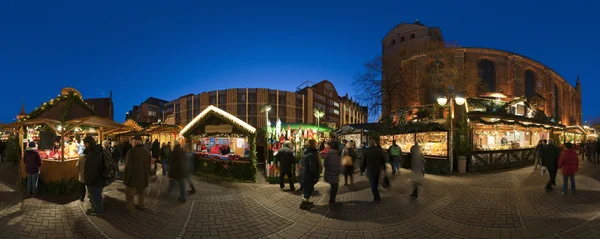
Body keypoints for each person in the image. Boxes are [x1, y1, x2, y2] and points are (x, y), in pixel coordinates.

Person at [124, 135, 151, 213]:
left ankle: (131, 209)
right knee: (141, 193)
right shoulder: (146, 151)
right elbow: (149, 165)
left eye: (132, 141)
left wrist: (126, 180)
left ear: (135, 142)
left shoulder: (131, 152)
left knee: (129, 195)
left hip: (133, 178)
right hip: (143, 177)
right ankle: (141, 205)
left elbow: (128, 167)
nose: (131, 143)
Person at [83, 136, 106, 216]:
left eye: (84, 144)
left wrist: (88, 181)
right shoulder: (98, 150)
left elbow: (91, 171)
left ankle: (98, 211)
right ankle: (96, 208)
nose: (84, 146)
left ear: (87, 144)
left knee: (96, 196)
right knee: (96, 195)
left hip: (95, 180)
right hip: (100, 178)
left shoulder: (93, 154)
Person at [300, 139, 320, 204]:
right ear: (313, 144)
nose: (317, 144)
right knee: (309, 189)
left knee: (306, 189)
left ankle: (305, 202)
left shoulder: (305, 152)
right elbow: (312, 167)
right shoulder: (312, 154)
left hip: (304, 173)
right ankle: (305, 204)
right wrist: (316, 176)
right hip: (309, 175)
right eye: (315, 143)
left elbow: (302, 162)